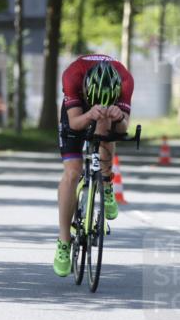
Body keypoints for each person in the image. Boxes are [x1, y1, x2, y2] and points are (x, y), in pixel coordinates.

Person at [53, 55, 134, 277]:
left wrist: (118, 118)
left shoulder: (125, 79)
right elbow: (75, 123)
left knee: (106, 125)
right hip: (78, 113)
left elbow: (123, 129)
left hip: (104, 117)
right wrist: (89, 113)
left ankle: (106, 185)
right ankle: (64, 241)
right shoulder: (72, 75)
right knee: (72, 172)